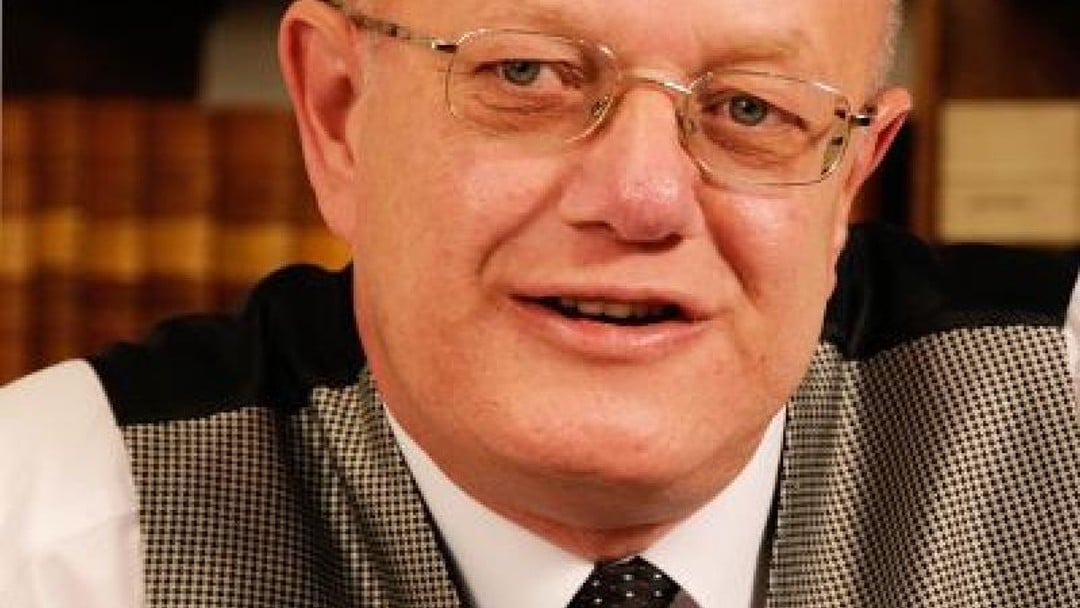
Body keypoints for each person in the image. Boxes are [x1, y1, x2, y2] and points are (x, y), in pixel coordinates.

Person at [2, 0, 1077, 606]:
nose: (643, 199)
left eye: (752, 109)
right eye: (528, 77)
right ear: (337, 114)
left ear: (851, 178)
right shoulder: (49, 531)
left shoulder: (1057, 416)